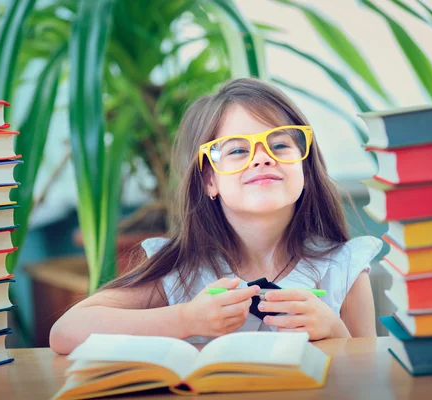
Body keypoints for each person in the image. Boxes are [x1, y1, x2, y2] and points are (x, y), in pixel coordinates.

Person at [50, 77, 382, 355]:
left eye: (280, 145)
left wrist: (336, 332)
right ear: (209, 180)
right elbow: (66, 332)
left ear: (305, 168)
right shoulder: (178, 270)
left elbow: (371, 377)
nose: (262, 158)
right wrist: (186, 320)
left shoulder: (345, 267)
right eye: (237, 150)